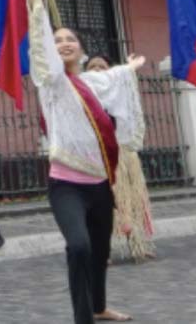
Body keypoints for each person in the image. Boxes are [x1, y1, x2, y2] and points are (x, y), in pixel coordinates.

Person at [28, 0, 143, 323]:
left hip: (99, 184)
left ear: (81, 50)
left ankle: (98, 307)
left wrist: (131, 67)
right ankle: (84, 318)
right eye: (57, 40)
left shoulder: (92, 82)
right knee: (79, 246)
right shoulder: (52, 83)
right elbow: (42, 49)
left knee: (100, 250)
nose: (64, 43)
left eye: (70, 39)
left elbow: (112, 78)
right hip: (66, 185)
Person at [85, 54, 154, 262]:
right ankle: (101, 251)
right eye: (93, 66)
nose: (97, 69)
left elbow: (131, 102)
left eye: (102, 66)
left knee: (130, 201)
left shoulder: (119, 91)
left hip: (122, 156)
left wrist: (128, 69)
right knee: (99, 208)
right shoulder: (83, 91)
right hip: (96, 160)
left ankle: (137, 245)